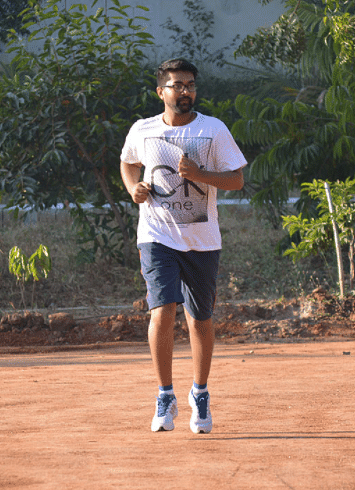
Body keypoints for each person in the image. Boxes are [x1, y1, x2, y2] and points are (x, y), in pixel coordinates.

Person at [120, 58, 247, 433]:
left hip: (202, 241)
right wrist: (133, 187)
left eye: (190, 84)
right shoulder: (143, 130)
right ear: (161, 92)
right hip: (157, 236)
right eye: (178, 85)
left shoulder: (213, 129)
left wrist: (200, 175)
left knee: (200, 318)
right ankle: (164, 395)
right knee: (162, 311)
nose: (186, 91)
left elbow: (236, 180)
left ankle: (200, 392)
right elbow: (128, 163)